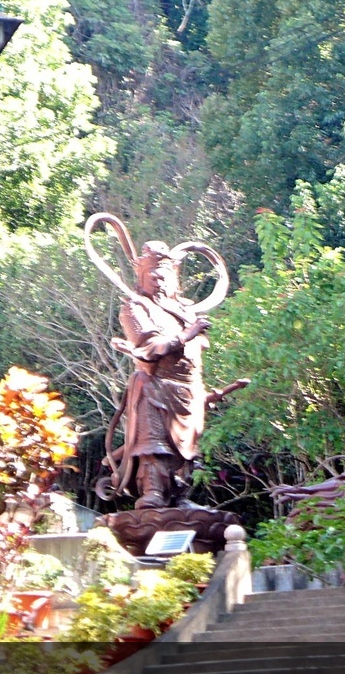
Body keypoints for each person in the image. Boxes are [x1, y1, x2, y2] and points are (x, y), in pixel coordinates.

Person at [85, 214, 247, 509]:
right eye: (153, 277)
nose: (159, 282)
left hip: (189, 390)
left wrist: (209, 391)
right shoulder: (135, 307)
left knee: (186, 450)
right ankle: (152, 493)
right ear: (141, 279)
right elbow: (148, 348)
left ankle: (179, 494)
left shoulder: (184, 310)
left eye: (165, 276)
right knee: (154, 445)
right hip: (154, 386)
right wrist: (187, 334)